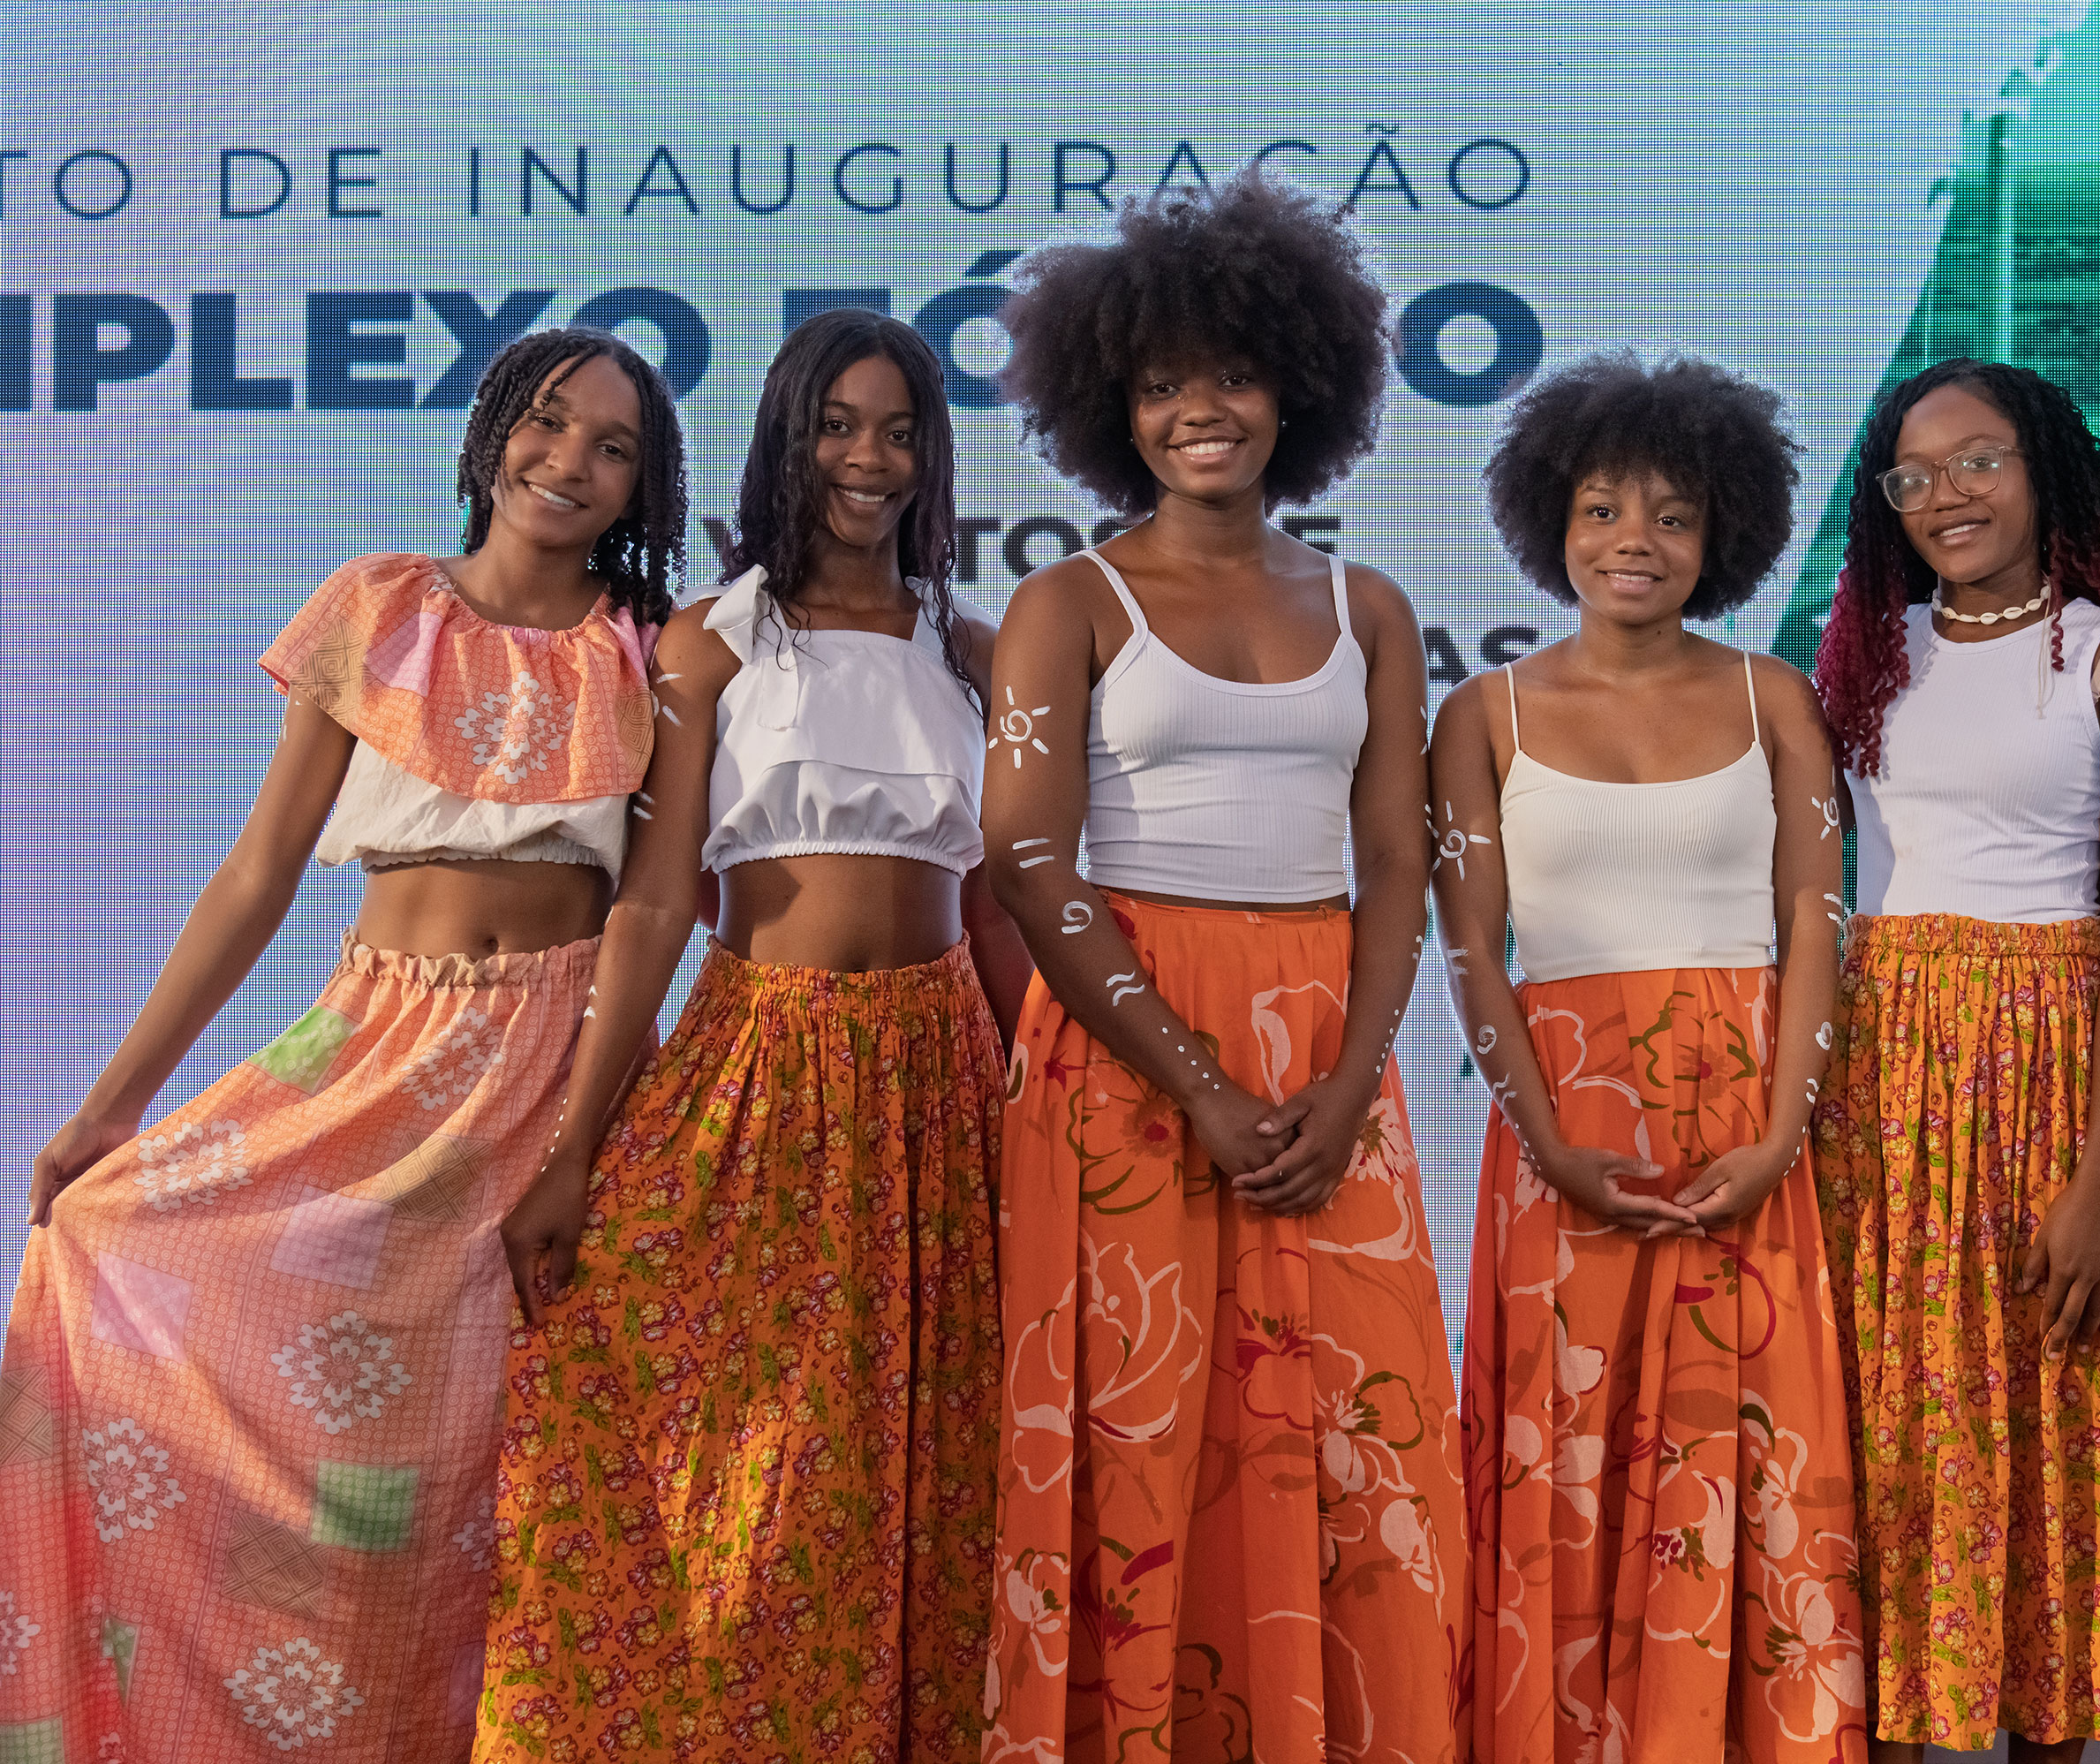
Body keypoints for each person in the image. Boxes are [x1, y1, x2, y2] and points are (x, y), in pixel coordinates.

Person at [0, 329, 684, 1758]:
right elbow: (257, 875)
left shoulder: (650, 652)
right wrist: (112, 1108)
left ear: (643, 485)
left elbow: (655, 907)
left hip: (551, 1081)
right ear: (496, 428)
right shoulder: (378, 609)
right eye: (549, 423)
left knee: (499, 1474)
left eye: (612, 447)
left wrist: (583, 1138)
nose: (570, 462)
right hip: (375, 1054)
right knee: (146, 1271)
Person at [475, 310, 1026, 1762]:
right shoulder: (710, 642)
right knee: (751, 1491)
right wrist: (576, 1150)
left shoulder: (974, 650)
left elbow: (1008, 918)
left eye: (901, 430)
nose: (871, 457)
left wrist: (1056, 1118)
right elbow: (654, 911)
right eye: (839, 425)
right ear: (787, 436)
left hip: (941, 1085)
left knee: (934, 1483)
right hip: (760, 1070)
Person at [975, 168, 1467, 1761]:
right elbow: (1029, 860)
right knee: (1139, 1440)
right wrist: (1192, 1079)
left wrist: (1348, 1078)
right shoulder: (1066, 600)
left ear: (1299, 387)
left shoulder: (1369, 605)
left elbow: (1399, 859)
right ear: (1111, 407)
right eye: (1164, 381)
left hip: (1328, 1053)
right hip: (1125, 1051)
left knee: (1352, 1440)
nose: (1205, 408)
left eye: (1236, 372)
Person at [1435, 352, 1865, 1760]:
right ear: (1550, 524)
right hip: (1566, 1139)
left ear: (1722, 533)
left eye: (1672, 516)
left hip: (1751, 1133)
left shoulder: (1775, 700)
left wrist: (1784, 1131)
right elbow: (1473, 951)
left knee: (1751, 1447)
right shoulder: (1479, 718)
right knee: (1569, 1466)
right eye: (1605, 510)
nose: (1636, 541)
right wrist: (1549, 1140)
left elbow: (1817, 918)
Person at [1811, 358, 2100, 1759]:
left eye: (1978, 461)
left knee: (2053, 1433)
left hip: (2056, 1069)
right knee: (1905, 1432)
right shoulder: (1864, 644)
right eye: (1915, 476)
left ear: (2044, 468)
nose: (1948, 496)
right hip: (1891, 1075)